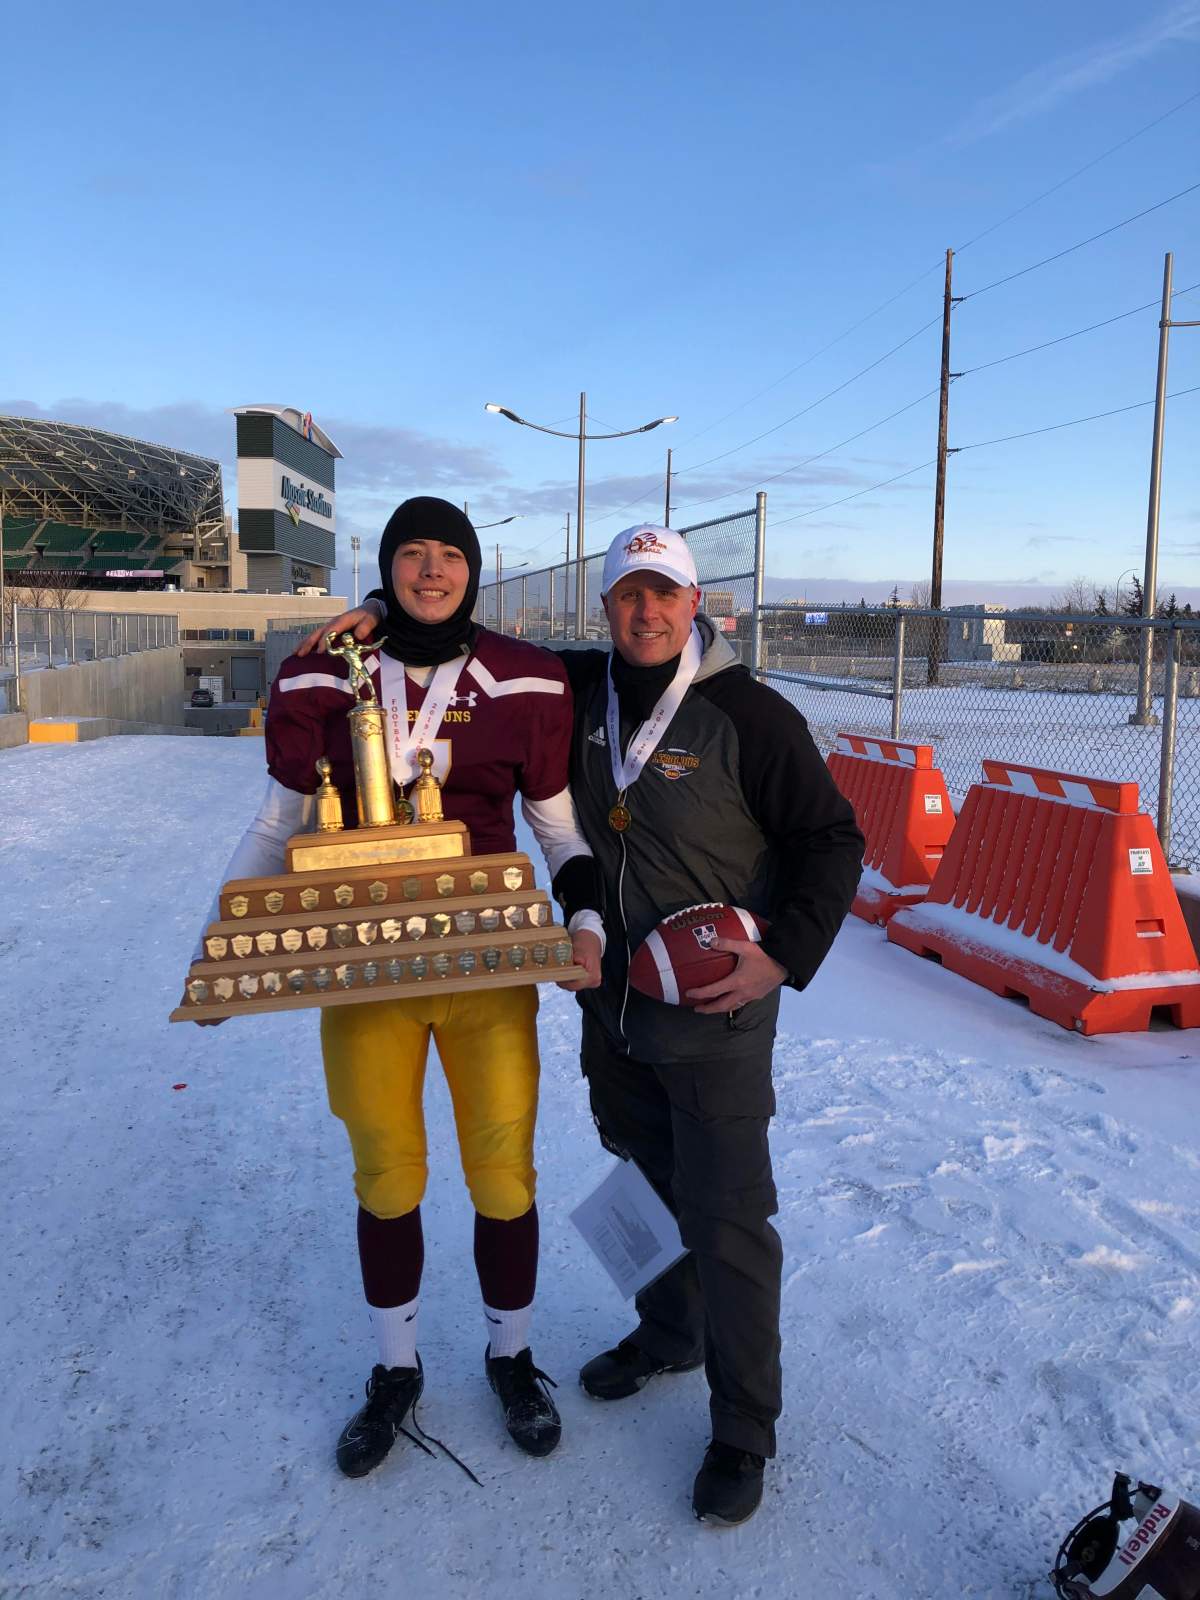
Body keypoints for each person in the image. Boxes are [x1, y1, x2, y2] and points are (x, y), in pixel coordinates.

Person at [309, 521, 863, 1524]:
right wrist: (387, 611)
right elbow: (458, 635)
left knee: (728, 1216)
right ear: (605, 607)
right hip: (612, 1008)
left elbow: (832, 837)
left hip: (714, 1012)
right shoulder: (575, 687)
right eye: (626, 595)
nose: (644, 612)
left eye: (663, 593)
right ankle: (667, 1329)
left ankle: (743, 1427)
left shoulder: (751, 715)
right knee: (640, 1180)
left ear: (697, 604)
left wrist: (784, 954)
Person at [197, 497, 602, 1479]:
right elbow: (278, 817)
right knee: (388, 1173)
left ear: (473, 567)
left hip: (487, 960)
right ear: (388, 566)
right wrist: (222, 938)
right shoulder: (323, 669)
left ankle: (510, 1356)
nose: (431, 571)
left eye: (448, 554)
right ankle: (397, 1368)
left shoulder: (528, 675)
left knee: (504, 1172)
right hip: (366, 959)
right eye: (410, 555)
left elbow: (556, 827)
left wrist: (584, 920)